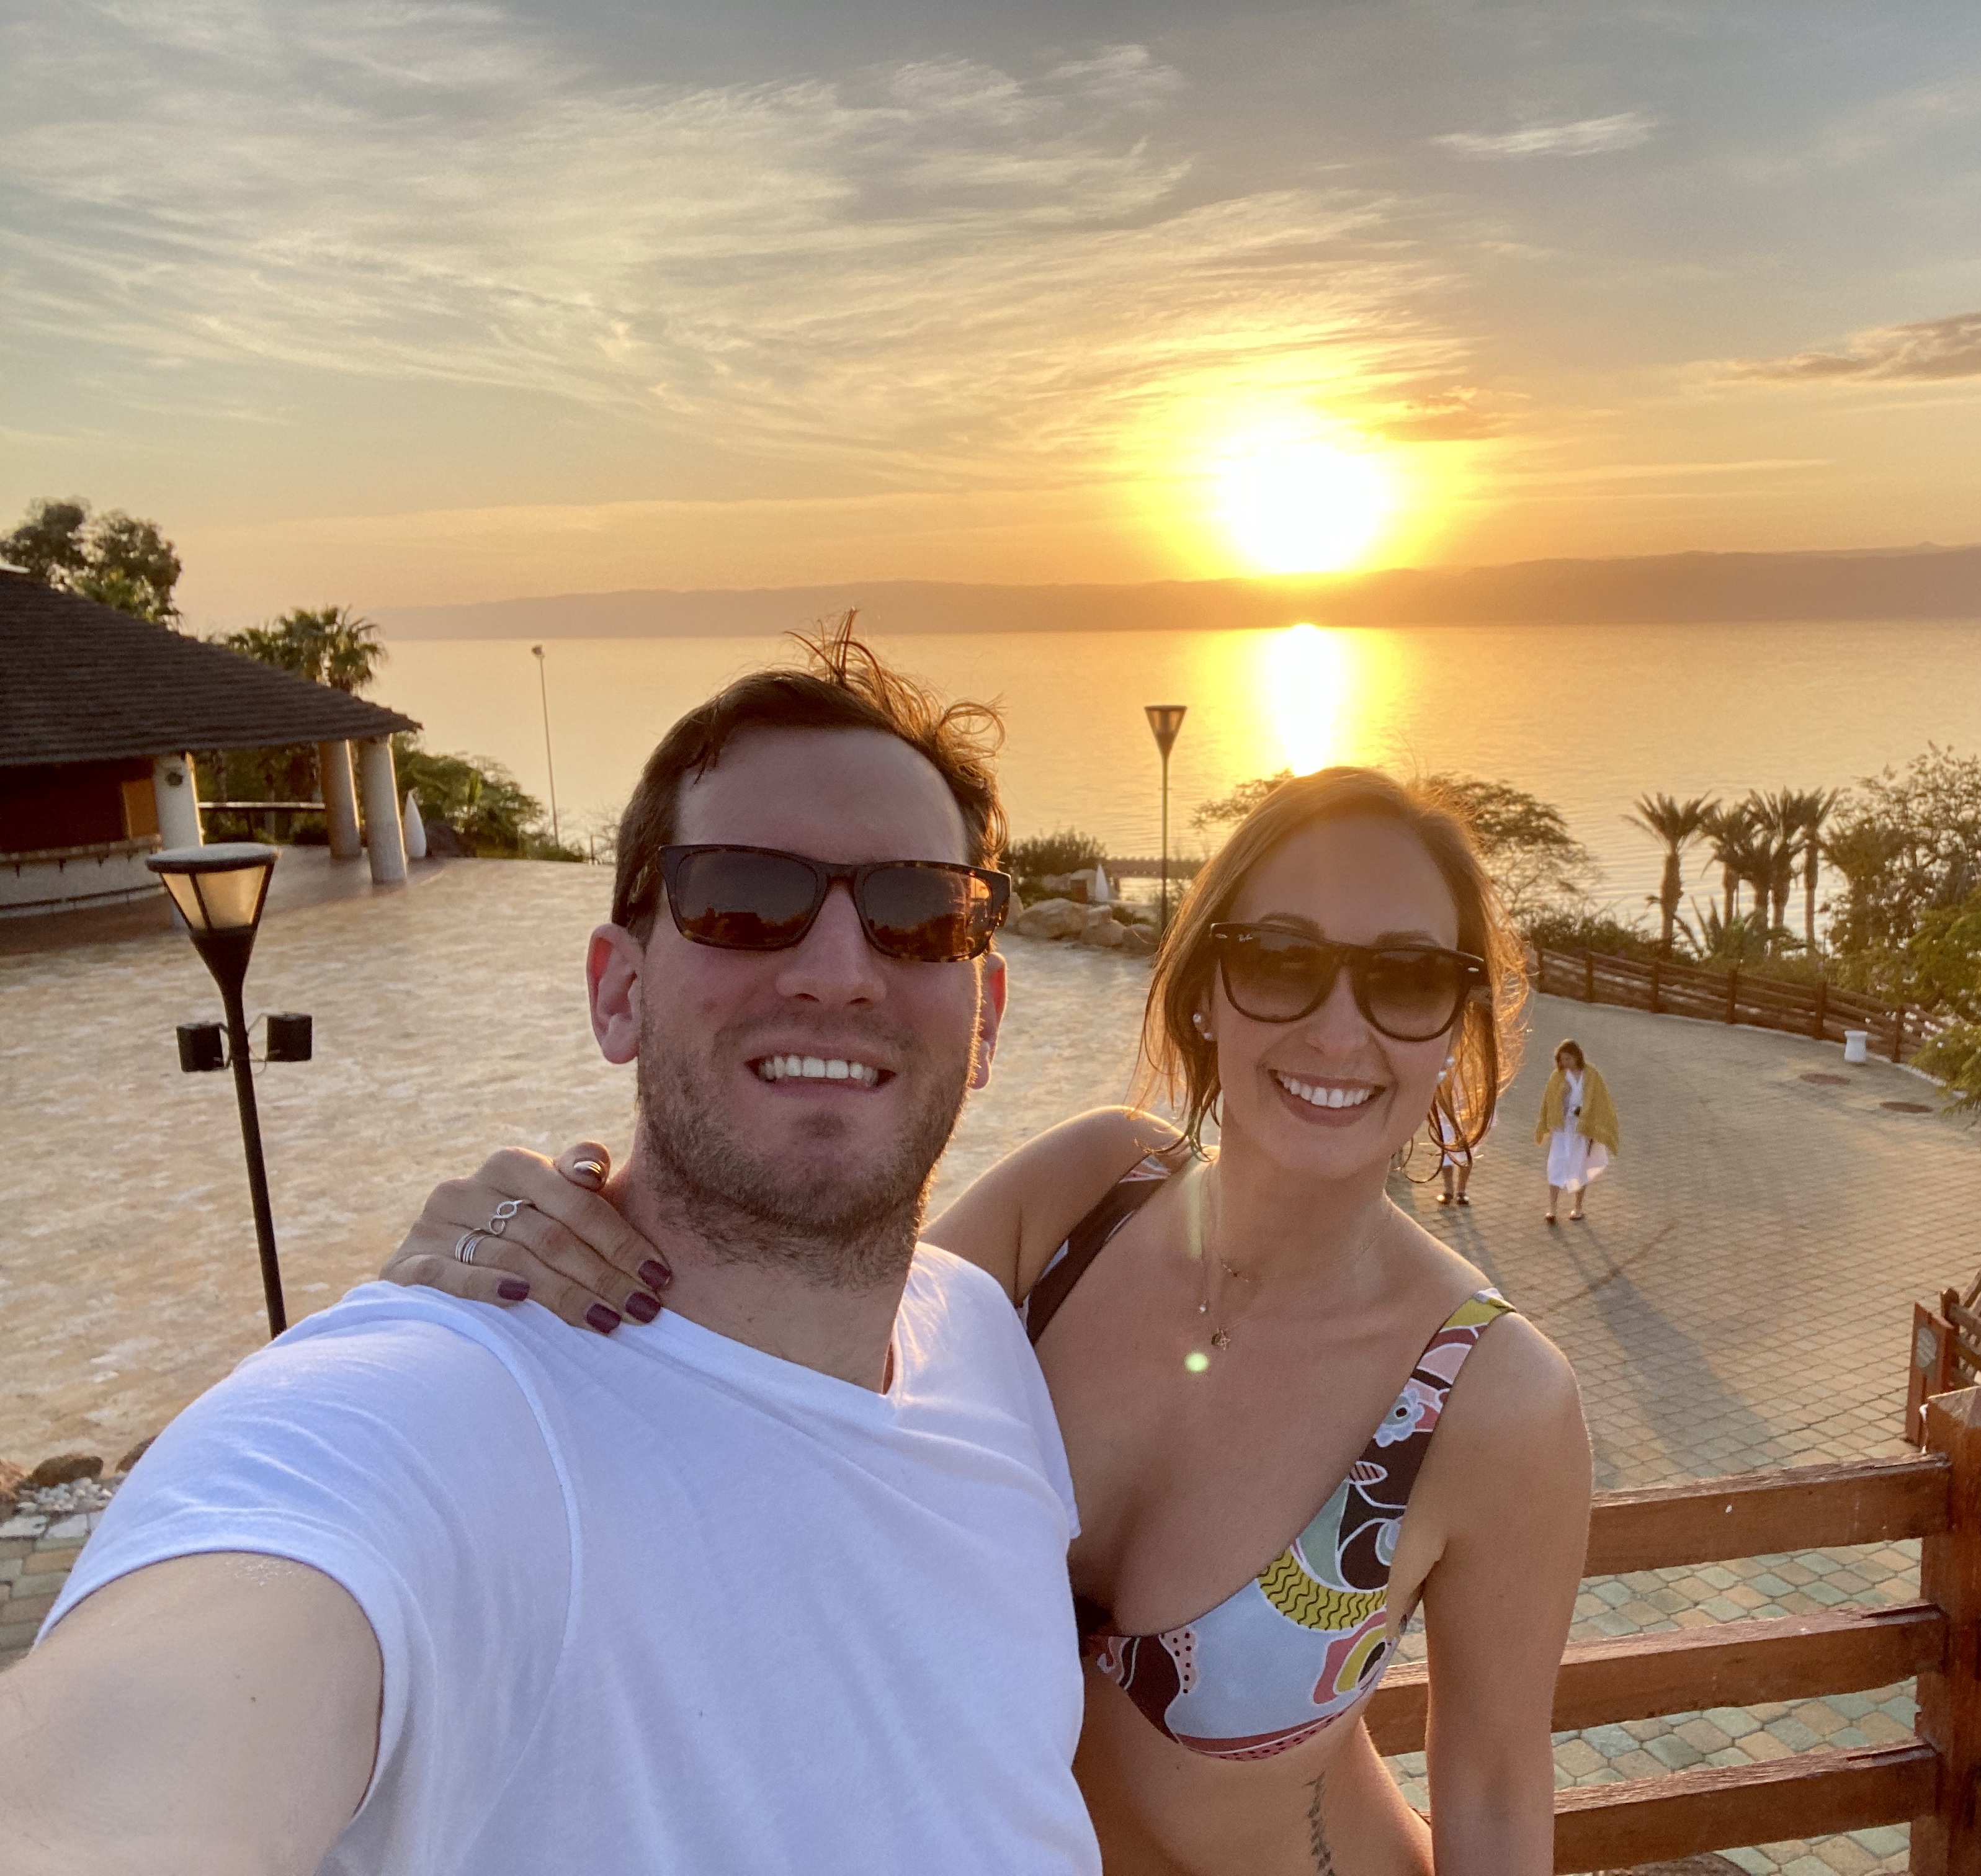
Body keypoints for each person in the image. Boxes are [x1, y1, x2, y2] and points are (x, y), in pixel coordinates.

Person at [0, 633, 1104, 1872]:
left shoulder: (982, 1340)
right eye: (746, 897)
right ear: (617, 992)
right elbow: (130, 1764)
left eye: (918, 911)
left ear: (985, 1016)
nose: (839, 973)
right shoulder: (430, 1418)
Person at [387, 766, 1593, 1874]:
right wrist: (543, 1225)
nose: (1338, 1027)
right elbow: (794, 1349)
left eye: (1408, 979)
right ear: (1206, 993)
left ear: (1457, 1028)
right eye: (1280, 957)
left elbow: (1492, 1786)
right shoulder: (1085, 1202)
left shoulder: (1490, 1398)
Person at [1536, 1039, 1619, 1225]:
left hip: (1583, 1128)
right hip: (1563, 1127)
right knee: (1557, 1163)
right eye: (1562, 1059)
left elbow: (1601, 1101)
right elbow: (1549, 1103)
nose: (1564, 1062)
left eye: (1568, 1059)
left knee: (1582, 1164)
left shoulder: (1592, 1074)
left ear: (1576, 1057)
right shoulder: (1557, 1077)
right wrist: (1562, 1095)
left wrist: (1592, 1123)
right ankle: (1552, 1208)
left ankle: (1578, 1207)